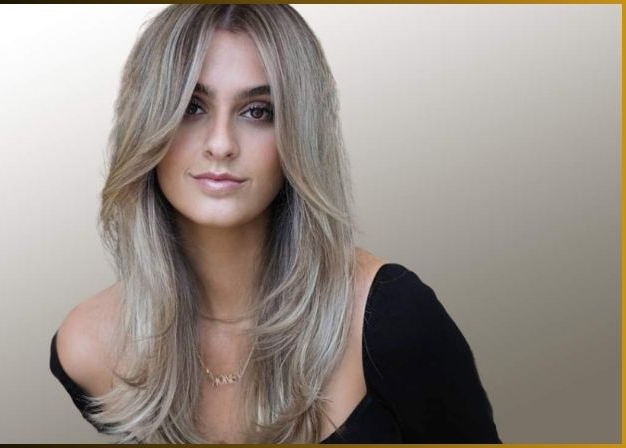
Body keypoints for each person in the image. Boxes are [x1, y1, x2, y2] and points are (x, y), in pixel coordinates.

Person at [49, 4, 501, 444]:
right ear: (146, 123)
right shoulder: (87, 348)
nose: (221, 144)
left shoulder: (391, 319)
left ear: (299, 136)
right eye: (191, 107)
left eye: (258, 111)